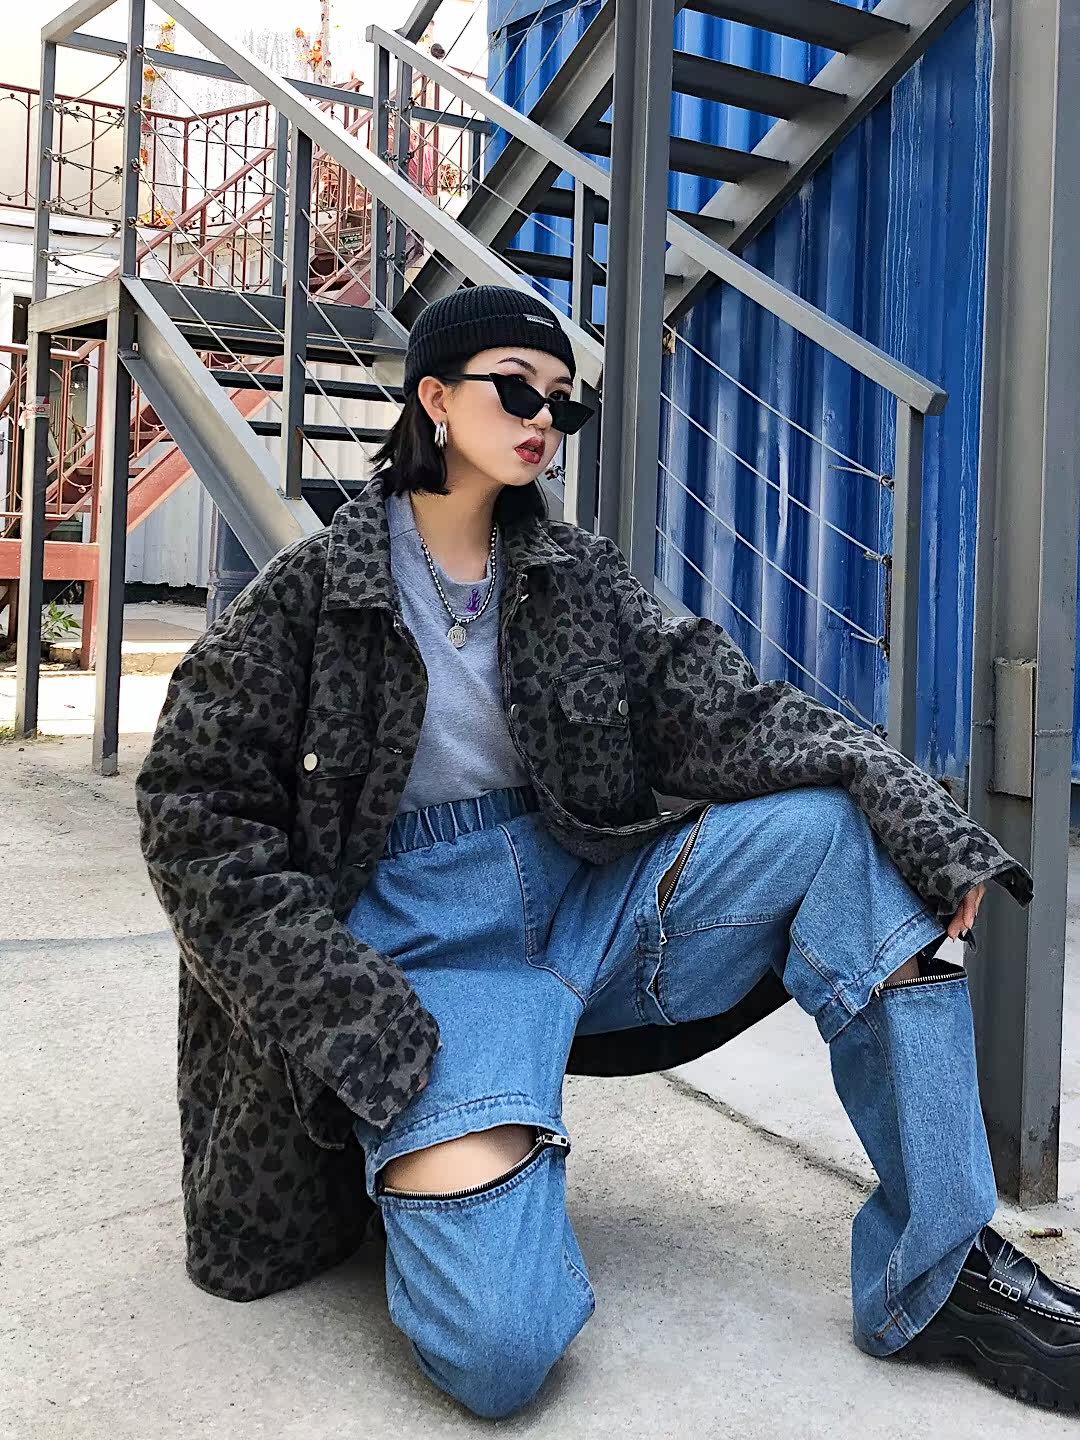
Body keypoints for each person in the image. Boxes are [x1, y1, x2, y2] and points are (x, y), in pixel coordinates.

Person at [136, 285, 1079, 1420]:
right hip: (428, 963)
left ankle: (941, 1273)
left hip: (592, 898)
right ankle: (448, 1157)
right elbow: (193, 815)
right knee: (499, 1351)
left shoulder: (574, 573)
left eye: (562, 402)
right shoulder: (310, 591)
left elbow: (723, 707)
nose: (543, 416)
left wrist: (917, 814)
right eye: (515, 389)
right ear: (433, 398)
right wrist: (350, 1018)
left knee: (841, 832)